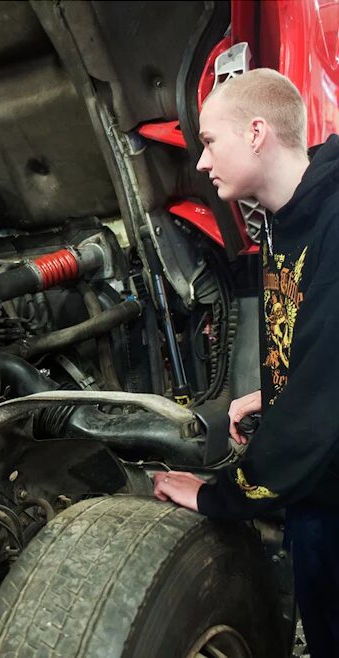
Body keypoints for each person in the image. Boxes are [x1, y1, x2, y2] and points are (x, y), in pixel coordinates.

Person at [153, 68, 339, 656]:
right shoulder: (285, 218)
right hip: (318, 494)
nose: (202, 162)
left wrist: (217, 496)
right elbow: (316, 344)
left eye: (210, 141)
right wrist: (275, 391)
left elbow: (320, 408)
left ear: (256, 133)